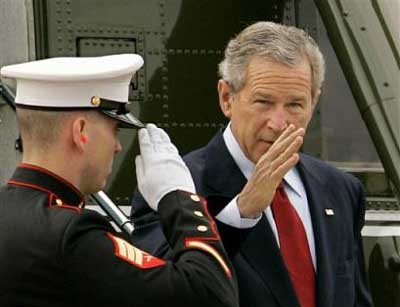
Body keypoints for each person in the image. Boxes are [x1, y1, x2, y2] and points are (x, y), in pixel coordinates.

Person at [130, 22, 373, 307]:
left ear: (314, 101)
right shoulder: (175, 186)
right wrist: (242, 211)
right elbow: (164, 295)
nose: (279, 123)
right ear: (226, 98)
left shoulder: (341, 190)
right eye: (263, 102)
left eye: (295, 105)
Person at [0, 54, 238, 307]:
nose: (116, 147)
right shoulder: (72, 237)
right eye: (114, 129)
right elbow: (211, 295)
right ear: (81, 132)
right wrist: (180, 199)